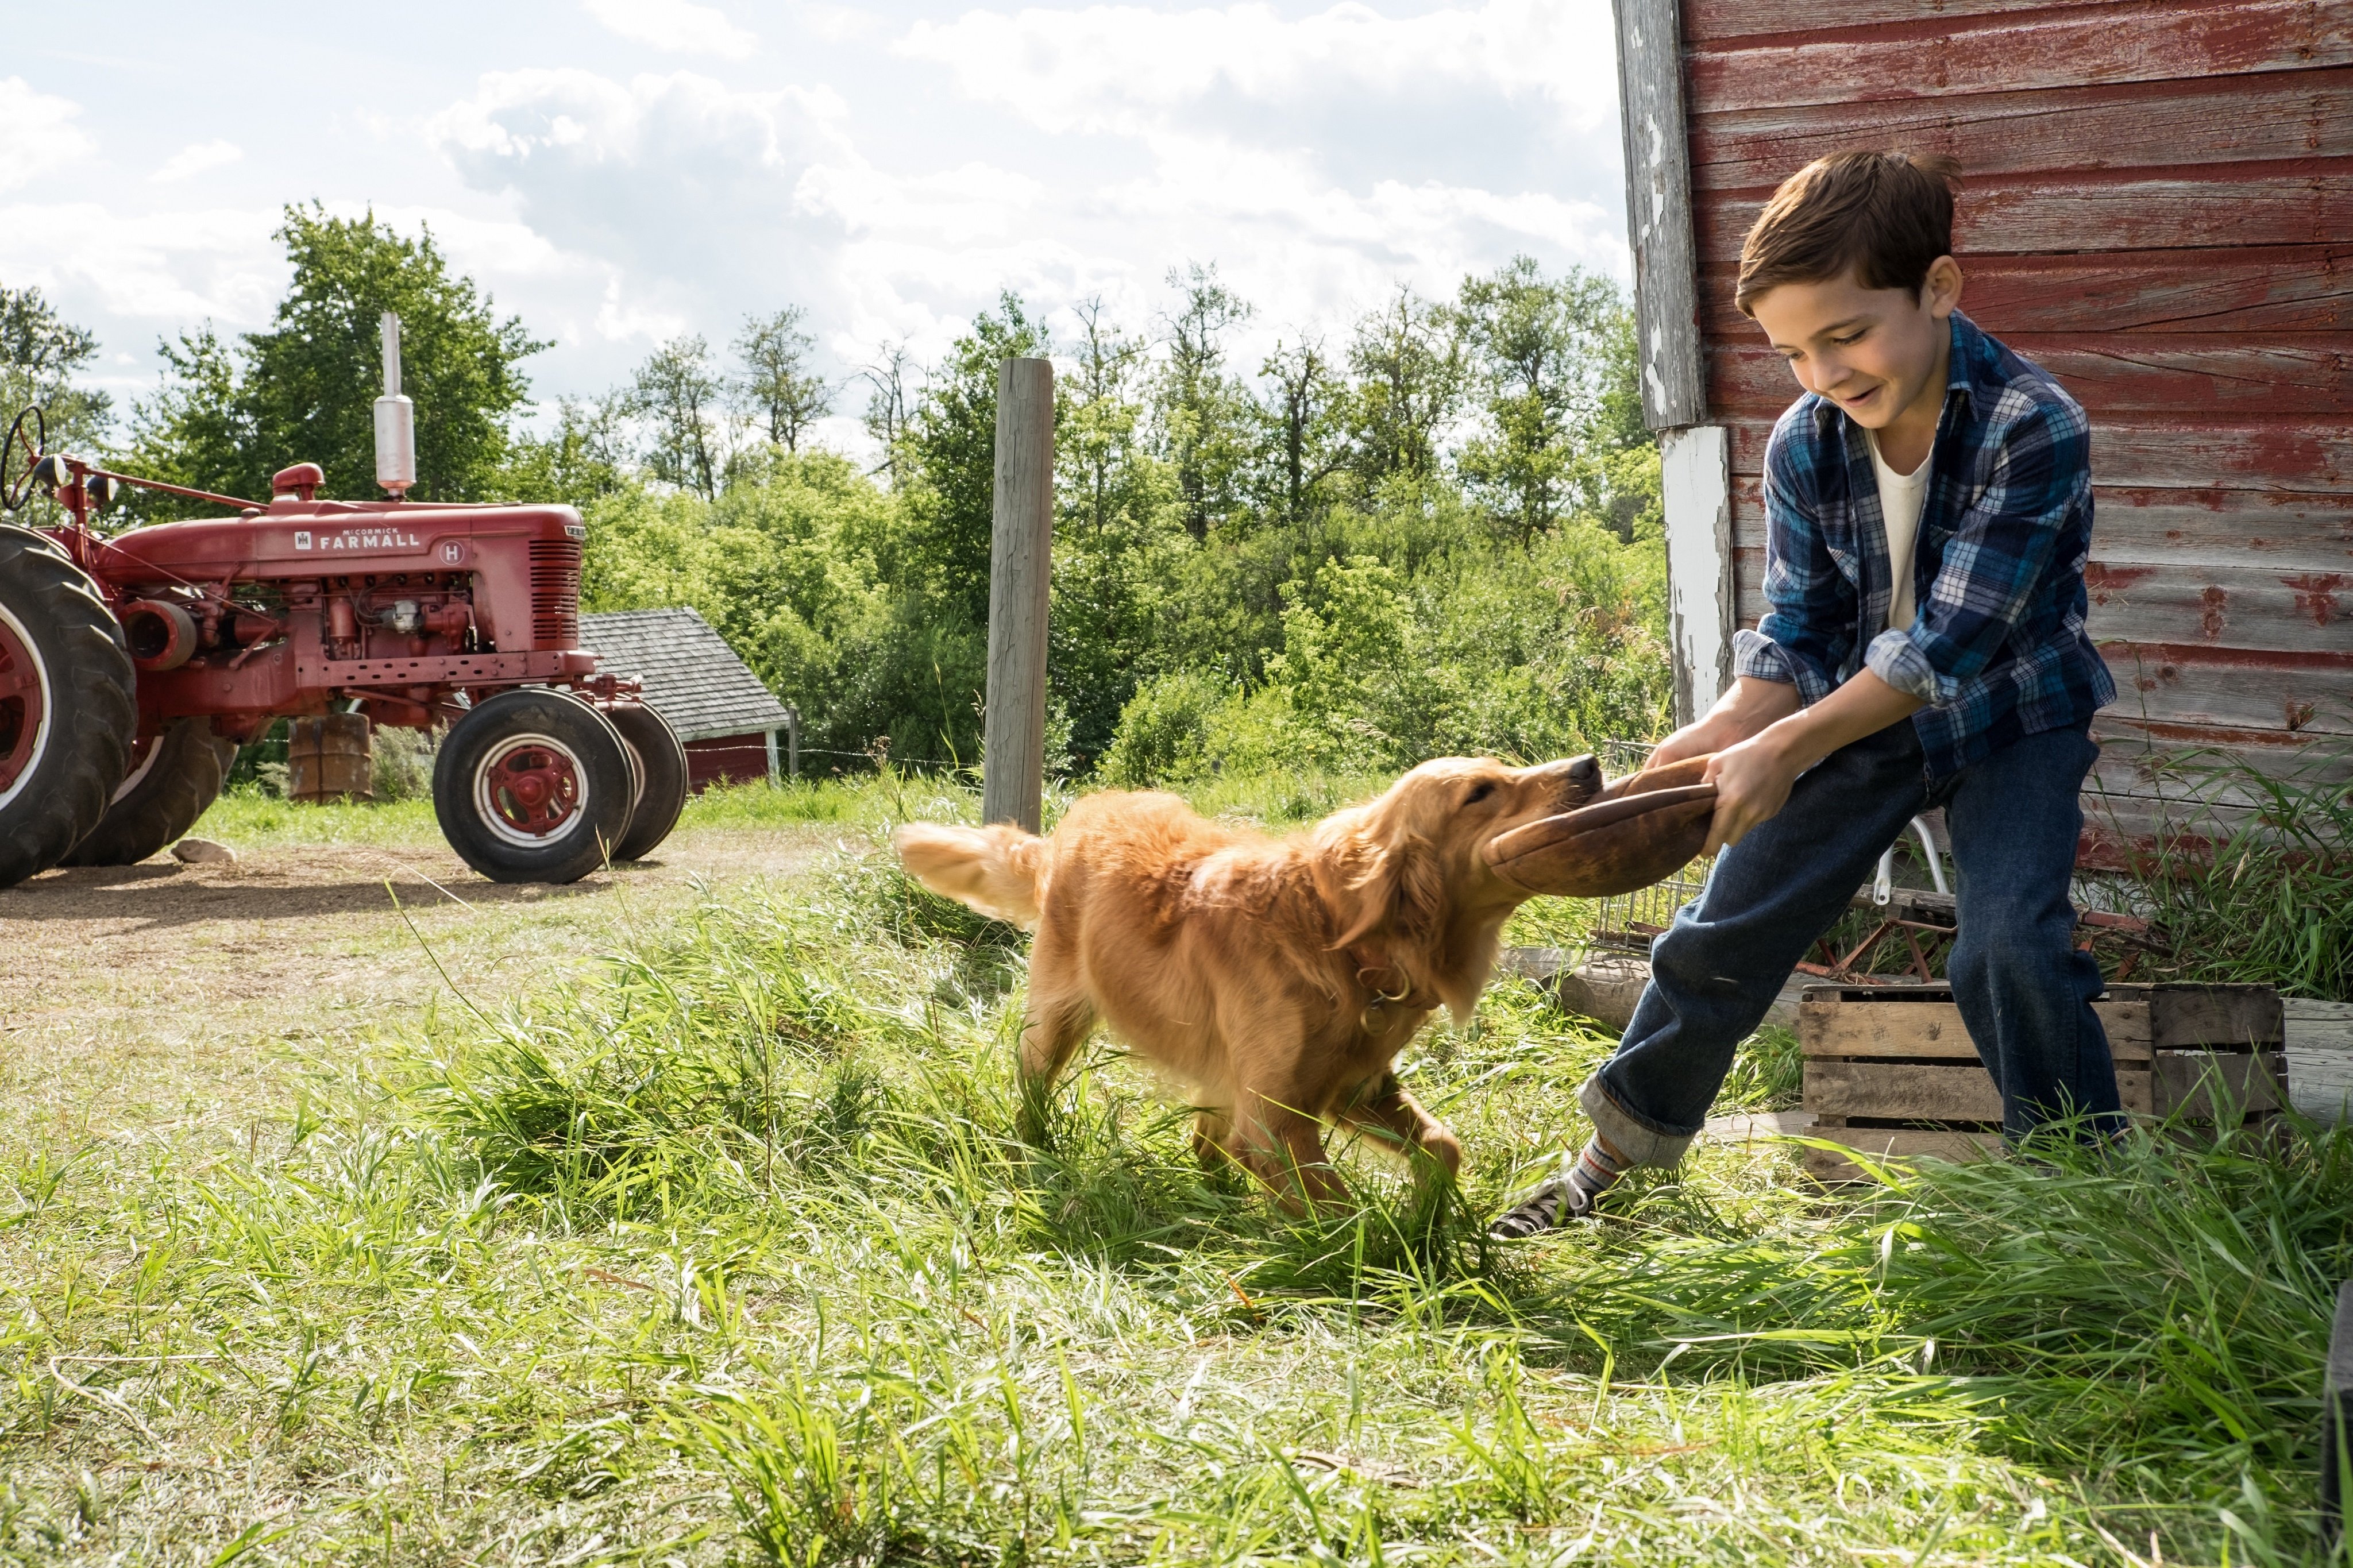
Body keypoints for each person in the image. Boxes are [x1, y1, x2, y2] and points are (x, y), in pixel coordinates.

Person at [1491, 150, 2123, 1238]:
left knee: (2009, 948)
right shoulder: (1803, 442)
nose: (1824, 370)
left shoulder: (2033, 424)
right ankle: (1615, 1163)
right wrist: (1714, 741)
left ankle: (2081, 1197)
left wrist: (1783, 751)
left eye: (1846, 333)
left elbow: (1945, 650)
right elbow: (1793, 639)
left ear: (1938, 289)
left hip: (2015, 714)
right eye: (1792, 350)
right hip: (1861, 718)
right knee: (1717, 931)